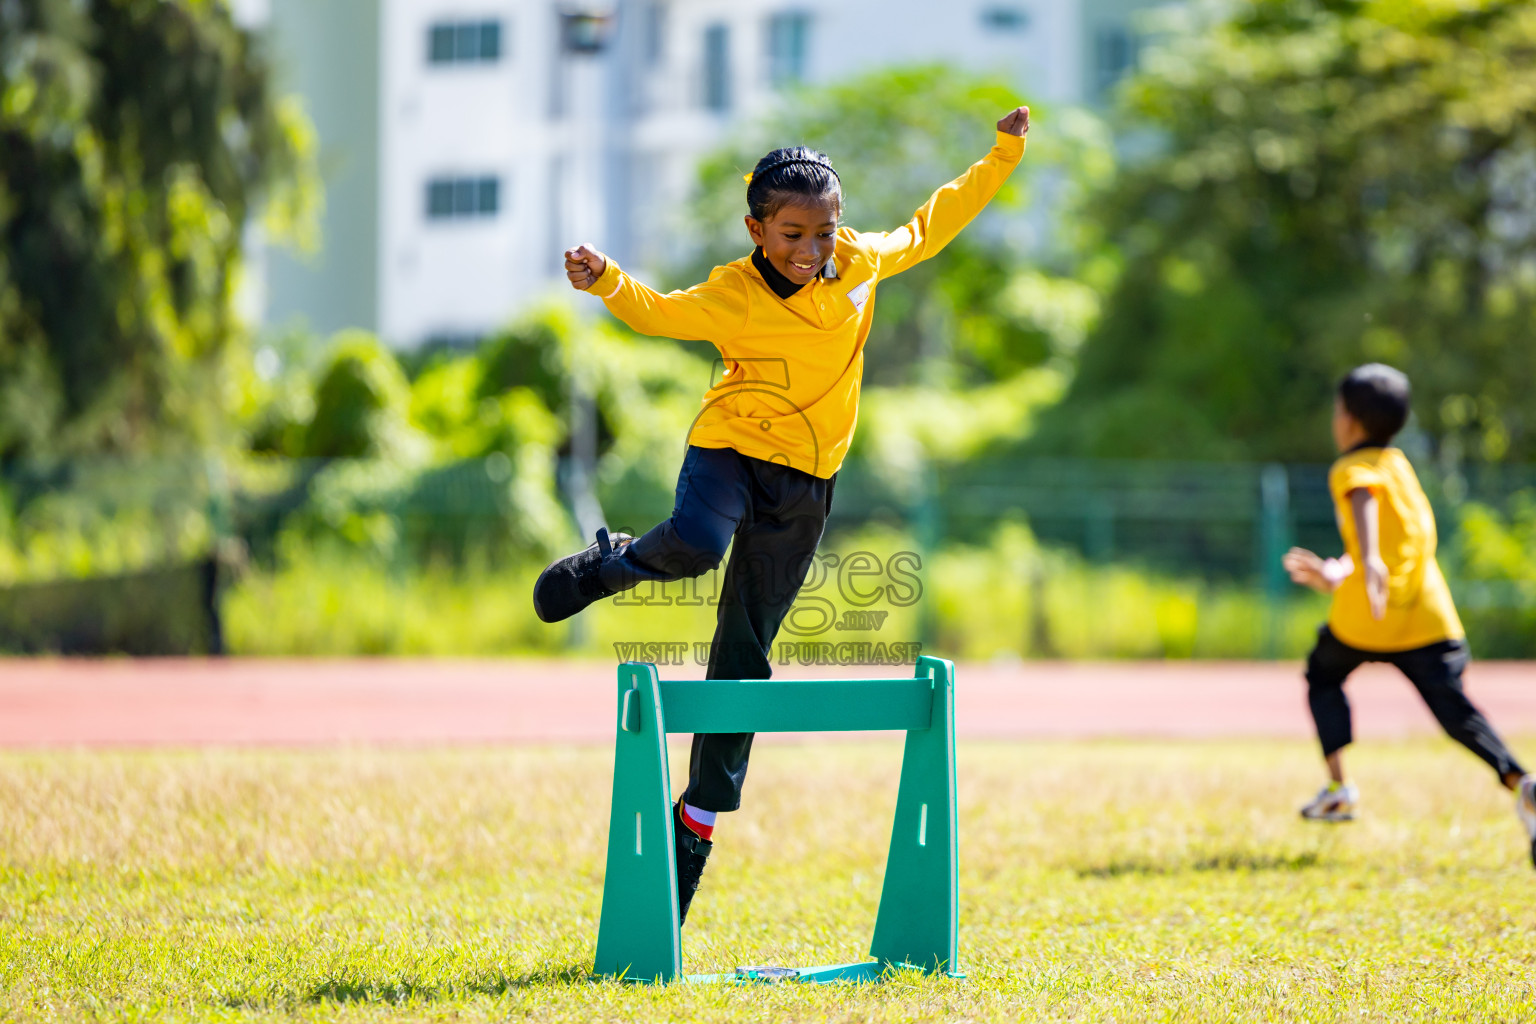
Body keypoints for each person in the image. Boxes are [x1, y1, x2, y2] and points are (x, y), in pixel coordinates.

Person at [534, 106, 1032, 922]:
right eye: (792, 234)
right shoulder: (732, 293)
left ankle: (693, 825)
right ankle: (612, 564)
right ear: (756, 229)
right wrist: (606, 280)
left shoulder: (860, 263)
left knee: (746, 655)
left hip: (807, 481)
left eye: (823, 234)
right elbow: (660, 312)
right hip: (730, 450)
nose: (810, 252)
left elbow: (932, 224)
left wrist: (1003, 153)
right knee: (695, 542)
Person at [1282, 363, 1536, 866]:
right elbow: (1389, 530)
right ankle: (1522, 782)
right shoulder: (1399, 463)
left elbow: (1363, 503)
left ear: (1350, 421)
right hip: (1427, 616)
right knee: (1456, 713)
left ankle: (1338, 787)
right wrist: (1345, 567)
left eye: (1337, 412)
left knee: (1322, 674)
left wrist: (1369, 559)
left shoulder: (1349, 468)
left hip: (1367, 618)